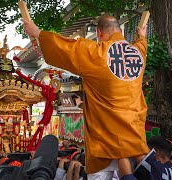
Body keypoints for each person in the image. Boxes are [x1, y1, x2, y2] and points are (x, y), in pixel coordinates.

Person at [23, 15, 149, 179]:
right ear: (120, 31)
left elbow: (67, 47)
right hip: (134, 142)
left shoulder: (97, 53)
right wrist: (142, 35)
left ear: (99, 33)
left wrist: (37, 32)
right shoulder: (138, 53)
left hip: (105, 142)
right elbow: (142, 43)